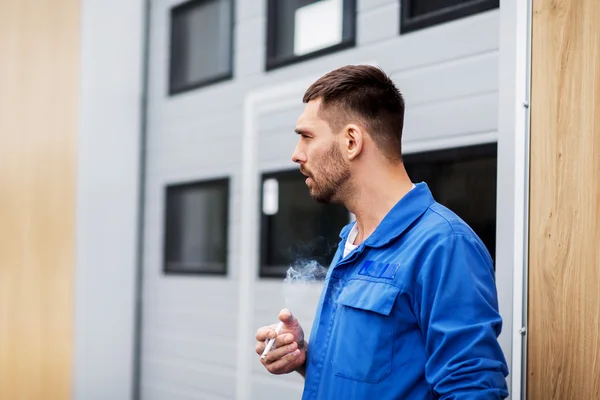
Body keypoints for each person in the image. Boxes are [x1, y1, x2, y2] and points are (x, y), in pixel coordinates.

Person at [254, 65, 509, 399]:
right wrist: (305, 357)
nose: (296, 154)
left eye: (307, 136)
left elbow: (473, 390)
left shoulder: (443, 246)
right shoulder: (353, 240)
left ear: (351, 141)